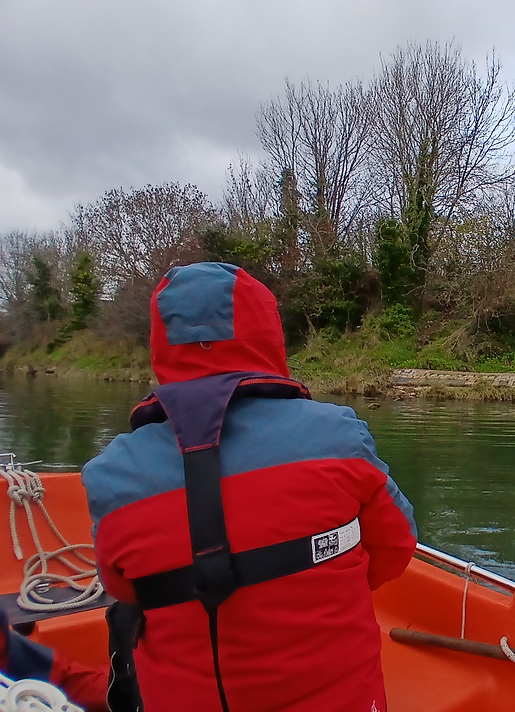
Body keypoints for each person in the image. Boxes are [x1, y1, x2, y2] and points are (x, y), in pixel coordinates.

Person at [81, 262, 417, 712]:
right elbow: (396, 547)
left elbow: (122, 589)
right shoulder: (339, 436)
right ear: (266, 334)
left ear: (161, 344)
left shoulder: (110, 473)